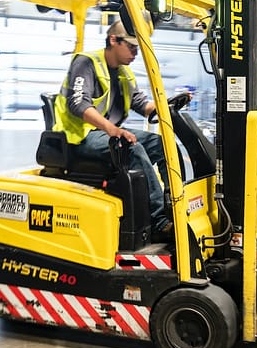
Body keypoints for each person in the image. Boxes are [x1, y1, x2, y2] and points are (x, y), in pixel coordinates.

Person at [53, 18, 173, 237]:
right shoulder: (86, 63)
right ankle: (158, 220)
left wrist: (166, 106)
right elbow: (77, 103)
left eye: (137, 48)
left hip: (105, 135)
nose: (135, 52)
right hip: (80, 138)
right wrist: (112, 129)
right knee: (132, 147)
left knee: (161, 144)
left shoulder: (124, 73)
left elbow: (141, 105)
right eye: (131, 46)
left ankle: (173, 203)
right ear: (113, 40)